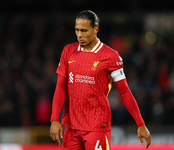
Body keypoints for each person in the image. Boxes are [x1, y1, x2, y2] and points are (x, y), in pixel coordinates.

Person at [50, 10, 151, 150]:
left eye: (84, 30)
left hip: (97, 127)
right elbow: (60, 86)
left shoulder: (110, 56)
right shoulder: (68, 51)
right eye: (77, 30)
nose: (79, 35)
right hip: (71, 128)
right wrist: (55, 119)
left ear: (95, 29)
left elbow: (124, 92)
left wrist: (140, 124)